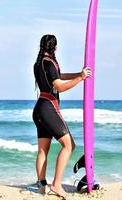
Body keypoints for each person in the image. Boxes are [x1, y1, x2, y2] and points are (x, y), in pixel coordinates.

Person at [32, 34, 91, 198]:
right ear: (55, 48)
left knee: (43, 150)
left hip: (38, 109)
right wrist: (80, 78)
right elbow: (59, 86)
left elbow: (58, 76)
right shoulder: (50, 63)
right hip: (48, 108)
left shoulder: (38, 64)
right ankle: (57, 185)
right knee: (69, 145)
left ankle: (42, 184)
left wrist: (78, 73)